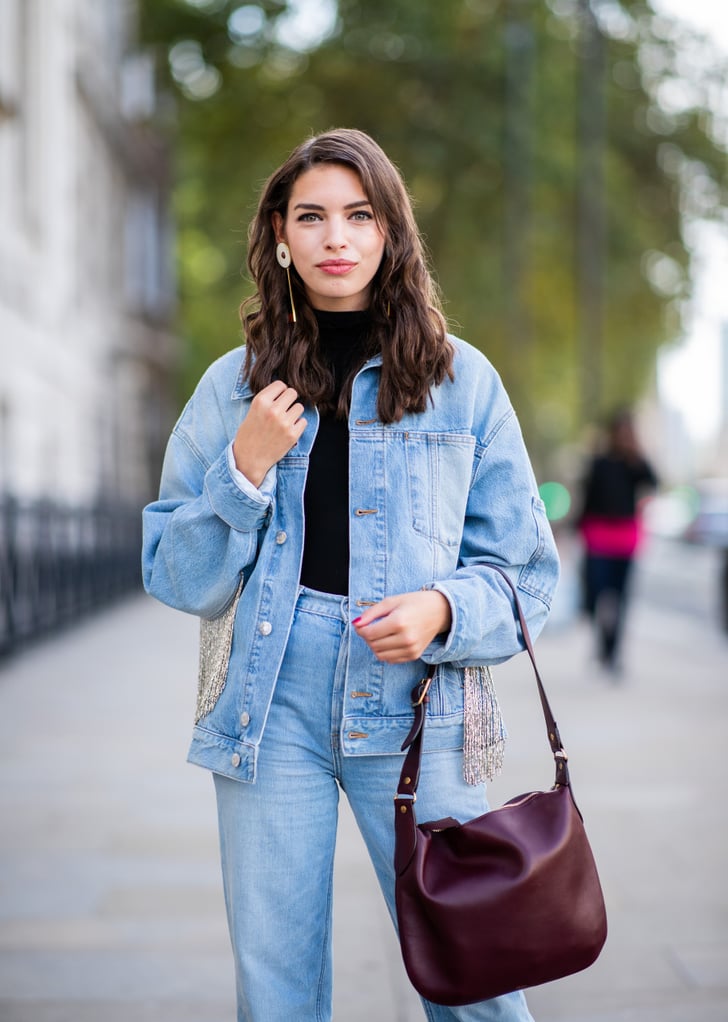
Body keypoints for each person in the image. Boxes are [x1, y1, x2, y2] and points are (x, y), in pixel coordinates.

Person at [142, 128, 560, 1022]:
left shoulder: (463, 383)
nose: (337, 236)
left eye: (359, 215)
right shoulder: (230, 389)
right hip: (268, 697)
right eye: (313, 216)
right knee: (277, 986)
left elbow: (527, 572)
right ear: (281, 239)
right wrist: (243, 474)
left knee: (474, 977)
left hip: (417, 704)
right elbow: (174, 573)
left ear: (389, 234)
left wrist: (445, 610)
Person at [577, 409, 658, 674]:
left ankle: (613, 654)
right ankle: (602, 647)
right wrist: (579, 529)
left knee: (620, 600)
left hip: (625, 539)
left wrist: (637, 455)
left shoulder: (635, 464)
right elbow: (587, 498)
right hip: (598, 537)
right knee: (598, 597)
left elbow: (654, 482)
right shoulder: (599, 463)